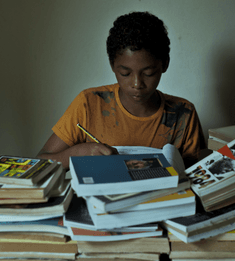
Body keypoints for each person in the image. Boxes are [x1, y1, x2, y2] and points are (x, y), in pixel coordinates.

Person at [37, 11, 207, 169]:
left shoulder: (183, 114)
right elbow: (39, 162)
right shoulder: (89, 104)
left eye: (148, 73)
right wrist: (79, 153)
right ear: (112, 65)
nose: (136, 84)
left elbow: (199, 177)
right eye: (125, 73)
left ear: (165, 64)